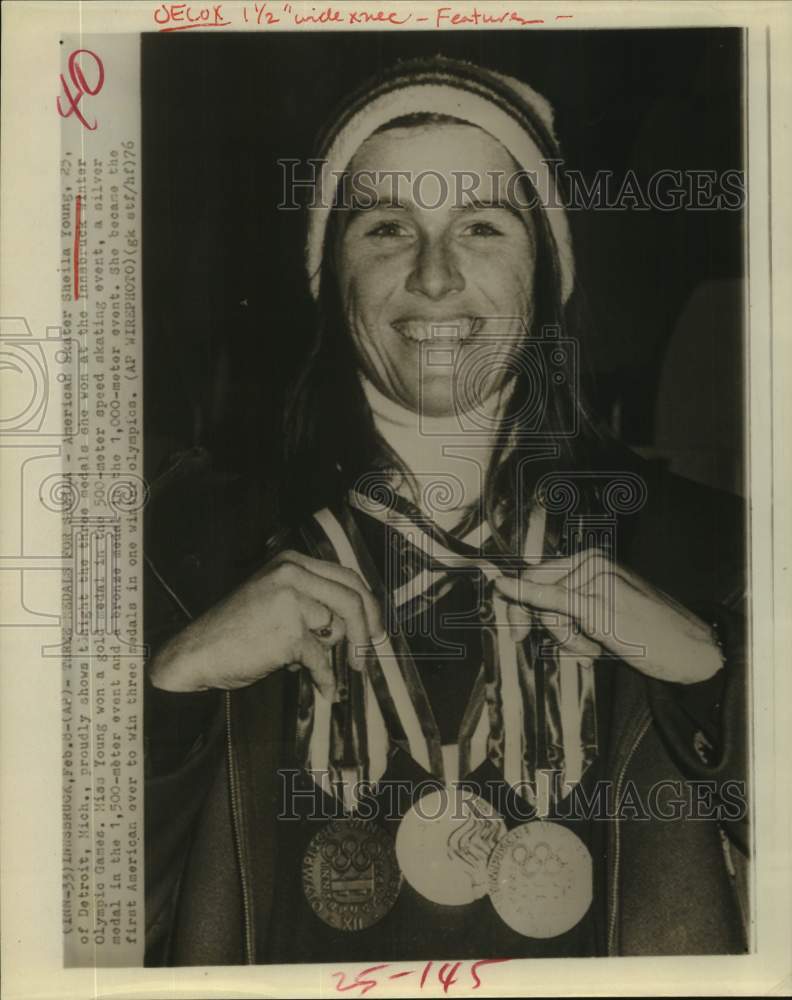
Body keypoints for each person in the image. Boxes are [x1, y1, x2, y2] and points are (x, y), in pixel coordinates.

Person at [144, 56, 748, 965]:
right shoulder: (178, 553)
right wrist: (172, 699)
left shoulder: (712, 551)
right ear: (327, 269)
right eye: (387, 226)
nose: (434, 277)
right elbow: (63, 924)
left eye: (482, 226)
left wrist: (719, 687)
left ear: (546, 270)